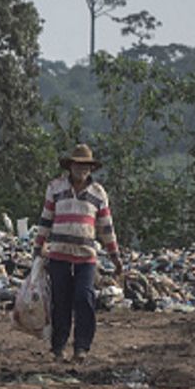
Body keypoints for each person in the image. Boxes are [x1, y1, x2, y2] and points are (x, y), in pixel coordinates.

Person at [33, 144, 123, 363]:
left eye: (86, 166)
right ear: (70, 166)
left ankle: (81, 346)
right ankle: (58, 347)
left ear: (91, 169)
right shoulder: (55, 188)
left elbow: (106, 227)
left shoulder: (98, 193)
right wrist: (38, 247)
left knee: (84, 298)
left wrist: (115, 256)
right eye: (78, 165)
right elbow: (46, 219)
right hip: (59, 254)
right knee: (61, 301)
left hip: (85, 256)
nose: (81, 169)